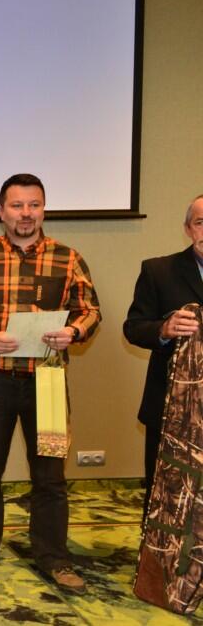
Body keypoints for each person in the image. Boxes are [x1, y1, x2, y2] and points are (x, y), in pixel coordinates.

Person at [0, 173, 101, 595]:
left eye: (34, 205)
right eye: (17, 205)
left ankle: (54, 558)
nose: (26, 213)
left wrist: (73, 332)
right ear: (2, 212)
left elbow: (90, 310)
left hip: (47, 380)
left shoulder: (68, 258)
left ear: (44, 209)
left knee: (50, 474)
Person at [123, 194, 203, 509]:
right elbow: (133, 328)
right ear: (188, 229)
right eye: (201, 222)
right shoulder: (159, 271)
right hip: (172, 407)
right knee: (165, 502)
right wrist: (164, 329)